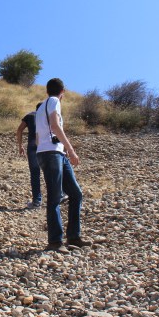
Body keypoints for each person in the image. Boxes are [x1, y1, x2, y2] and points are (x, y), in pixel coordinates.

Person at [35, 78, 90, 250]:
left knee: (75, 193)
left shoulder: (41, 106)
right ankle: (55, 241)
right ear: (63, 92)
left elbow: (38, 137)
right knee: (55, 197)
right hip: (52, 154)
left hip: (53, 153)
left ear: (47, 90)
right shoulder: (54, 101)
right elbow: (55, 125)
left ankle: (73, 237)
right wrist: (71, 150)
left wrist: (60, 150)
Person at [16, 103, 43, 208]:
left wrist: (20, 145)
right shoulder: (49, 115)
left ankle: (37, 201)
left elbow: (19, 130)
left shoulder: (30, 116)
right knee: (51, 173)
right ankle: (58, 196)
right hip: (46, 147)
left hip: (32, 147)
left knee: (35, 174)